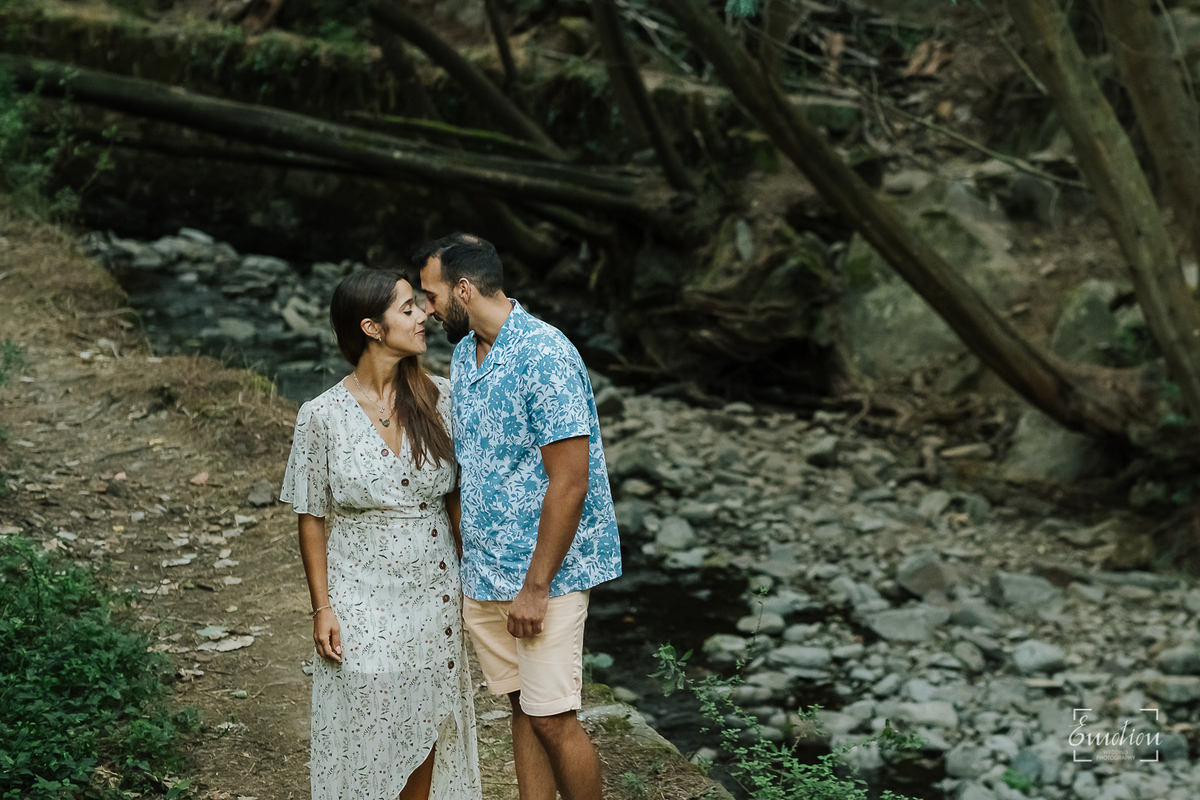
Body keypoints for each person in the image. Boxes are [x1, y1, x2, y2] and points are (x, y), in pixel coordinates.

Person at [415, 233, 622, 800]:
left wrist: (536, 587)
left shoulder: (545, 354)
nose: (428, 310)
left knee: (555, 718)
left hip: (543, 577)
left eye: (432, 296)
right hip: (487, 572)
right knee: (524, 710)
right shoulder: (464, 352)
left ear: (463, 288)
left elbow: (571, 481)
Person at [279, 269, 481, 800]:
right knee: (366, 714)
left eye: (420, 305)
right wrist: (322, 607)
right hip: (358, 587)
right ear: (371, 326)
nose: (424, 316)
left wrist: (480, 583)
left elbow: (459, 499)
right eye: (408, 308)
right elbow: (311, 516)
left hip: (434, 586)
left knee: (426, 715)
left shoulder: (442, 398)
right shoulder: (320, 416)